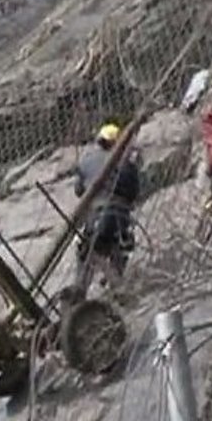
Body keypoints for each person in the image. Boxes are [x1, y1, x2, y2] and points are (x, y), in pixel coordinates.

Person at [73, 122, 141, 295]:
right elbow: (133, 192)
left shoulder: (85, 161)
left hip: (94, 215)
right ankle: (117, 286)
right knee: (120, 246)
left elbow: (78, 190)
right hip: (117, 215)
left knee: (86, 251)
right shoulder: (126, 163)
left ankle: (79, 291)